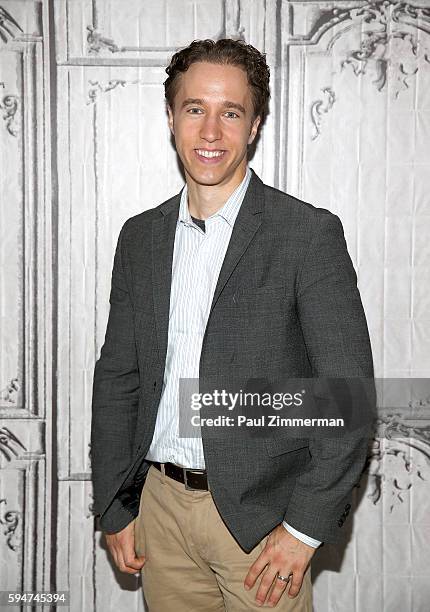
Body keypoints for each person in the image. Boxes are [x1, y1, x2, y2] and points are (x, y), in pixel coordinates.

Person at [90, 38, 374, 611]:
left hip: (259, 522)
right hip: (159, 511)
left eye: (231, 112)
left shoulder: (306, 235)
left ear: (256, 123)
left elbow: (348, 398)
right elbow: (118, 377)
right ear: (172, 117)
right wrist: (116, 505)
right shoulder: (139, 238)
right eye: (195, 108)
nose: (211, 131)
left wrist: (303, 530)